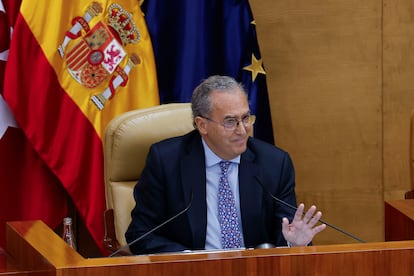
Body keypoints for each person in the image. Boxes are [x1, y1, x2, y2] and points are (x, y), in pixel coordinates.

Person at [125, 75, 326, 254]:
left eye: (246, 118)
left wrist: (293, 244)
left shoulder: (274, 163)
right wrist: (188, 260)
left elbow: (284, 231)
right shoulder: (166, 161)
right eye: (230, 122)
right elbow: (141, 234)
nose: (242, 130)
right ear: (202, 125)